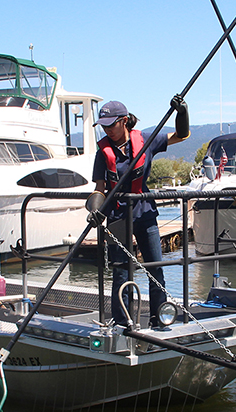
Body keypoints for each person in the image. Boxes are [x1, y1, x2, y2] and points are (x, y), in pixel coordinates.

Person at [92, 96, 189, 327]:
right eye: (103, 126)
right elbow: (99, 189)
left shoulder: (146, 140)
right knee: (121, 274)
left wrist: (181, 113)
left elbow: (181, 135)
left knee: (156, 269)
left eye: (111, 125)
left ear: (124, 121)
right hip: (117, 217)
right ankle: (121, 322)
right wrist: (96, 210)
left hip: (145, 214)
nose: (107, 130)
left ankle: (160, 320)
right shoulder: (102, 153)